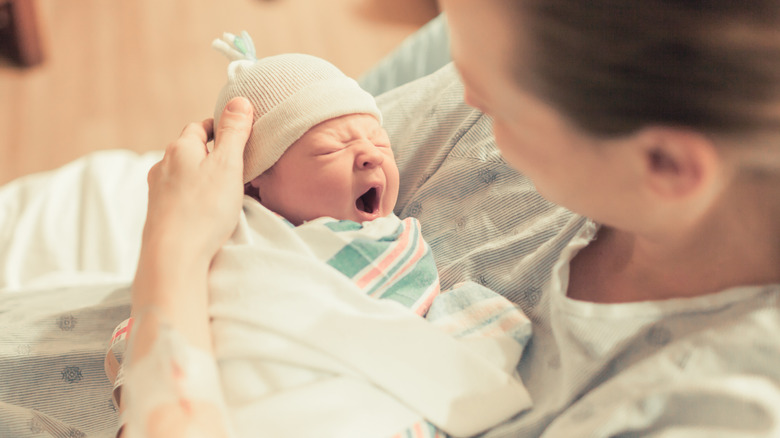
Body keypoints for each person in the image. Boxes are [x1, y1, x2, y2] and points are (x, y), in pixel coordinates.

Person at [125, 1, 780, 437]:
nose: (462, 98)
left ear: (664, 164)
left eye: (496, 105)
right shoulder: (530, 67)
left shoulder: (704, 406)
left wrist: (174, 253)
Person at [111, 32, 532, 438]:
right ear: (255, 183)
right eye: (331, 149)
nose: (370, 154)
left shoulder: (390, 242)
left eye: (381, 144)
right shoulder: (237, 235)